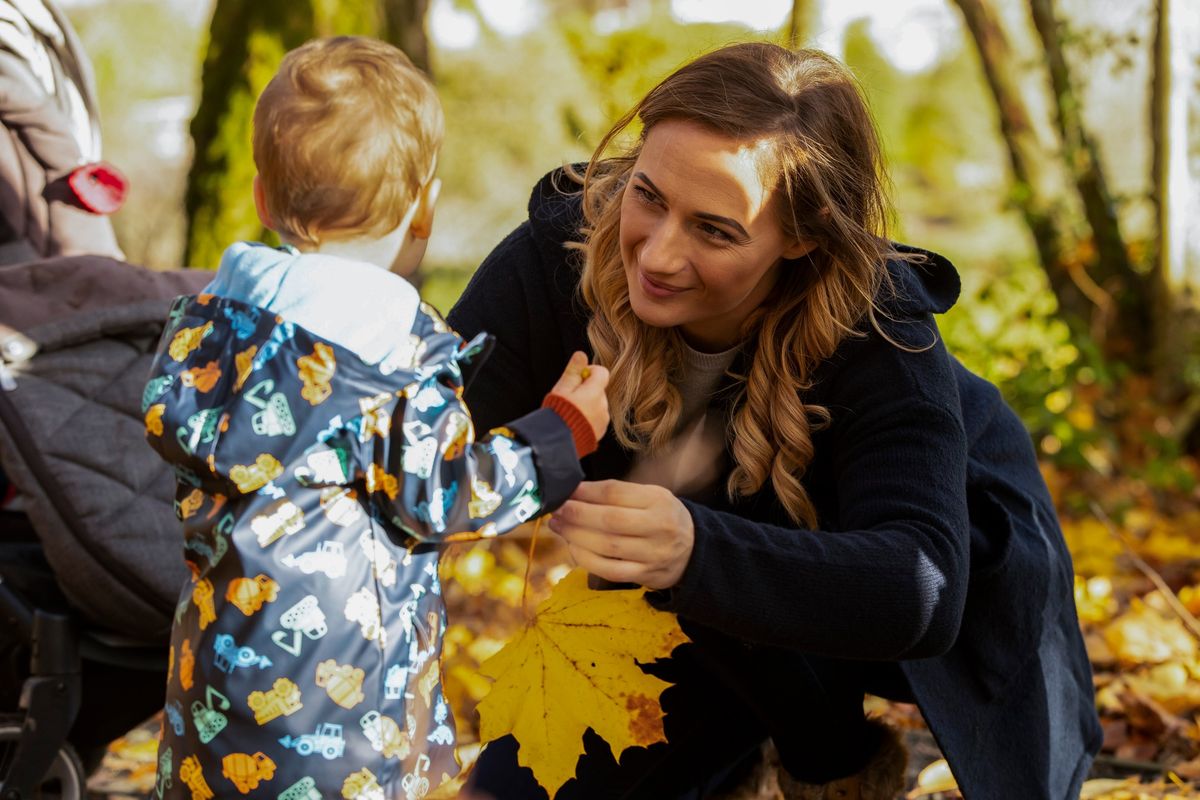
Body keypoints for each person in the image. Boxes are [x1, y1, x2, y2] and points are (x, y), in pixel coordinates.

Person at [448, 42, 1101, 800]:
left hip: (927, 573)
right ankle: (751, 749)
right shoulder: (551, 260)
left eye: (715, 230)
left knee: (727, 524)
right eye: (648, 195)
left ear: (802, 236)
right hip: (684, 602)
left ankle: (833, 763)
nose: (657, 255)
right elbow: (423, 433)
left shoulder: (881, 330)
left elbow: (919, 589)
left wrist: (693, 550)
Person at [140, 36, 609, 799]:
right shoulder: (386, 358)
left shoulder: (214, 338)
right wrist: (560, 432)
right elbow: (445, 493)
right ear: (424, 208)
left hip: (214, 692)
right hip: (342, 711)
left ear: (262, 197)